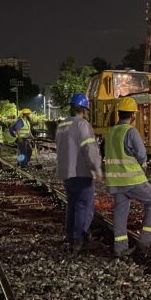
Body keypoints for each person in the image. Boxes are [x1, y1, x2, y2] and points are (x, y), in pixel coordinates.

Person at [104, 97, 151, 258]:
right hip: (131, 180)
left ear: (119, 114)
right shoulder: (130, 131)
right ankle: (147, 237)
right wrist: (142, 163)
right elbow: (142, 154)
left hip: (115, 181)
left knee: (120, 213)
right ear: (133, 116)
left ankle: (121, 248)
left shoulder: (110, 132)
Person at [56, 93, 103, 253]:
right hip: (81, 172)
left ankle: (70, 236)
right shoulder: (82, 124)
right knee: (84, 206)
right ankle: (79, 239)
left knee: (72, 205)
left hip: (66, 173)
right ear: (84, 109)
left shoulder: (62, 125)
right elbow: (89, 148)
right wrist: (96, 168)